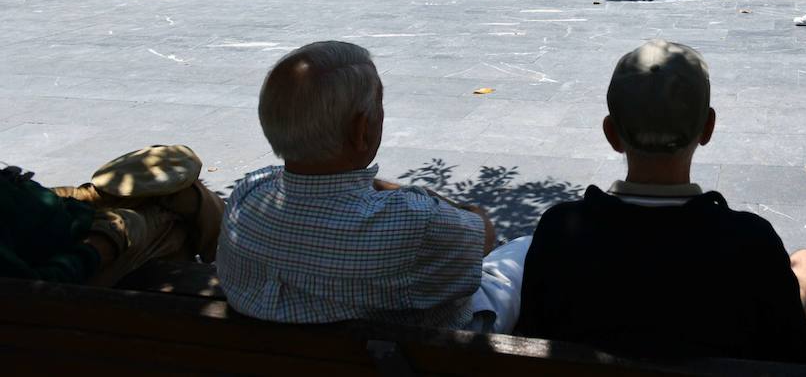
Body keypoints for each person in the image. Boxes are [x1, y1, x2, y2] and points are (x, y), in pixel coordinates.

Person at [518, 40, 806, 362]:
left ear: (612, 134)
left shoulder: (558, 231)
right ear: (707, 128)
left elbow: (534, 334)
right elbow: (793, 358)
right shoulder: (752, 242)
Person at [217, 41, 529, 333]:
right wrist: (422, 196)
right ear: (361, 129)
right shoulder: (415, 223)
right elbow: (482, 235)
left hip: (274, 357)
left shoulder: (247, 194)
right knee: (527, 247)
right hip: (426, 355)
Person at [1, 145, 223, 287]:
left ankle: (228, 248)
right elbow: (35, 289)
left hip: (65, 211)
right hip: (93, 239)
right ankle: (227, 250)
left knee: (166, 162)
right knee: (176, 208)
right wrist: (102, 244)